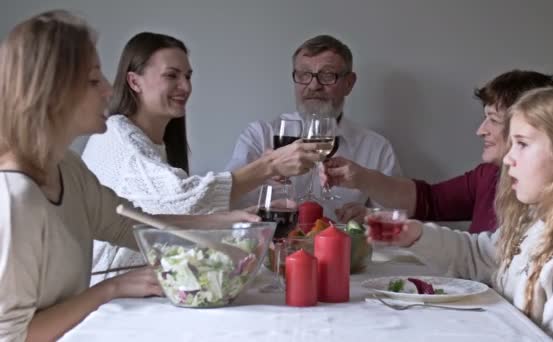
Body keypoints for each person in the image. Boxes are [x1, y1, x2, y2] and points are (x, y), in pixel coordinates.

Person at [0, 11, 259, 340]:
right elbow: (12, 336)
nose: (109, 89)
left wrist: (225, 222)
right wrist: (111, 288)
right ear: (52, 92)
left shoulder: (67, 167)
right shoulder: (14, 197)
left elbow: (130, 225)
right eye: (94, 80)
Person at [81, 32, 324, 282]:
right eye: (171, 75)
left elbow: (167, 217)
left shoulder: (155, 144)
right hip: (109, 298)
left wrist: (234, 219)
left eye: (187, 76)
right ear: (134, 81)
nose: (185, 87)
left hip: (147, 290)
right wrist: (269, 166)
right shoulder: (117, 134)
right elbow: (182, 200)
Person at [385, 85, 553, 341]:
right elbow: (480, 256)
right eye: (511, 144)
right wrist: (416, 235)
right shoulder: (535, 221)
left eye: (522, 144)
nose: (508, 158)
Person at [322, 70, 553, 232]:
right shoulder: (488, 175)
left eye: (493, 120)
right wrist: (362, 178)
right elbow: (430, 200)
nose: (480, 130)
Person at [225, 34, 402, 220]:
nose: (314, 85)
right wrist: (261, 172)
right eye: (304, 75)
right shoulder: (260, 136)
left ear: (349, 83)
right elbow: (223, 206)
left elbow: (396, 218)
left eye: (327, 75)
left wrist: (370, 217)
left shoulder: (377, 148)